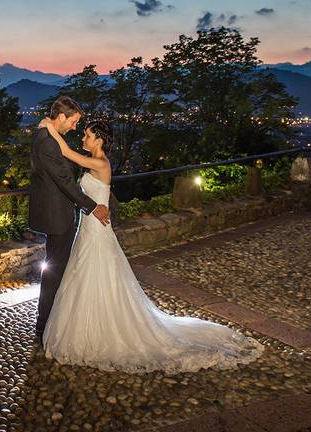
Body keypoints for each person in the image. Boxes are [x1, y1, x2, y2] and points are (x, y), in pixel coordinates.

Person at [38, 117, 264, 374]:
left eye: (87, 135)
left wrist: (49, 128)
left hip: (97, 233)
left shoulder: (100, 164)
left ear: (98, 140)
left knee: (98, 277)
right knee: (83, 277)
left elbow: (66, 152)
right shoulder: (94, 164)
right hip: (87, 231)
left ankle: (102, 329)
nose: (83, 139)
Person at [29, 96, 110, 340]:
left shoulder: (46, 136)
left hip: (58, 213)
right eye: (73, 121)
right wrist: (92, 207)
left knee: (57, 268)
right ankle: (45, 325)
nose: (75, 128)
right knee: (55, 270)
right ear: (61, 116)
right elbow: (65, 182)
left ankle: (51, 320)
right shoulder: (48, 142)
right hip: (58, 216)